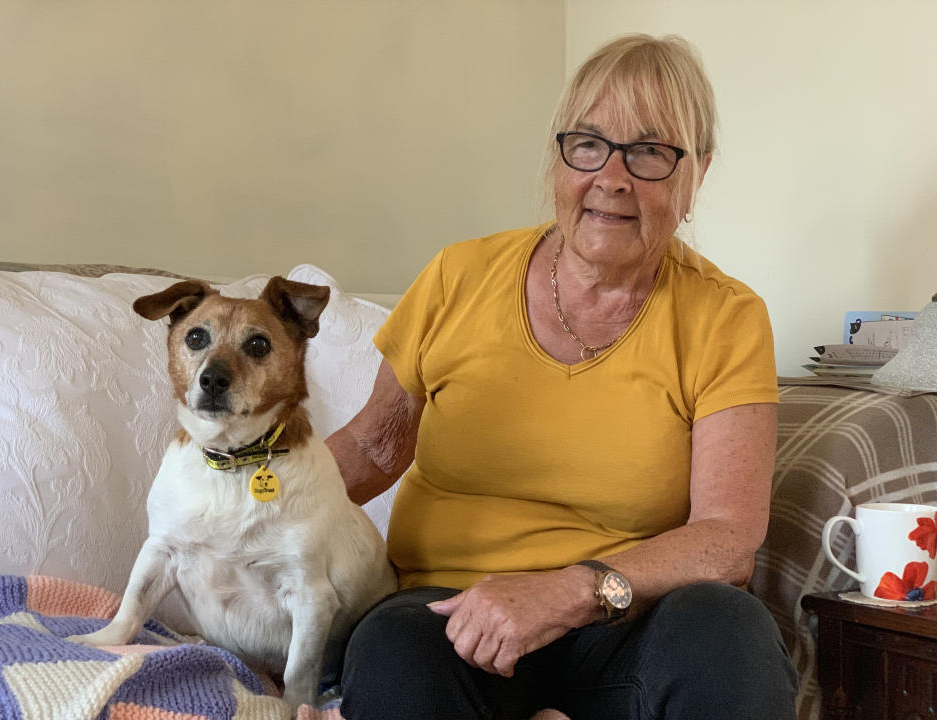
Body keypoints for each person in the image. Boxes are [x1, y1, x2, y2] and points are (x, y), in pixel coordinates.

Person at [325, 33, 798, 720]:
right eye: (589, 144)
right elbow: (374, 448)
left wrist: (572, 591)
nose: (612, 176)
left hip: (627, 624)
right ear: (557, 157)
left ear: (697, 173)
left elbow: (727, 537)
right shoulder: (459, 276)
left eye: (650, 151)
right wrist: (238, 499)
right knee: (392, 651)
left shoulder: (726, 316)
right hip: (456, 614)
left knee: (731, 632)